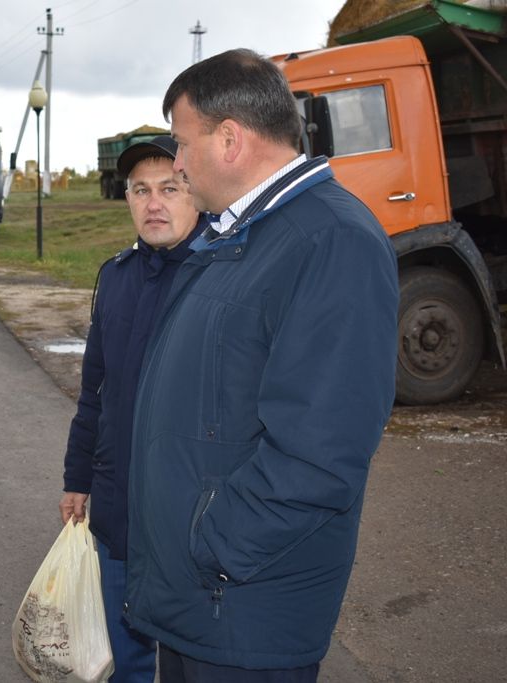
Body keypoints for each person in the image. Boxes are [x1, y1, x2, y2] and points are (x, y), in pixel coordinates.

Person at [124, 49, 399, 682]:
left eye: (181, 143)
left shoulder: (330, 241)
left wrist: (212, 549)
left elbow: (321, 448)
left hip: (242, 605)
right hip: (203, 603)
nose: (178, 161)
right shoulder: (242, 235)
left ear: (228, 139)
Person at [60, 135, 205, 682]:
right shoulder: (115, 278)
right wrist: (77, 477)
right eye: (140, 190)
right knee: (124, 654)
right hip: (117, 508)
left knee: (190, 657)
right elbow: (94, 390)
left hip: (187, 517)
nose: (154, 203)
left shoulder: (218, 279)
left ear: (196, 191)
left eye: (170, 187)